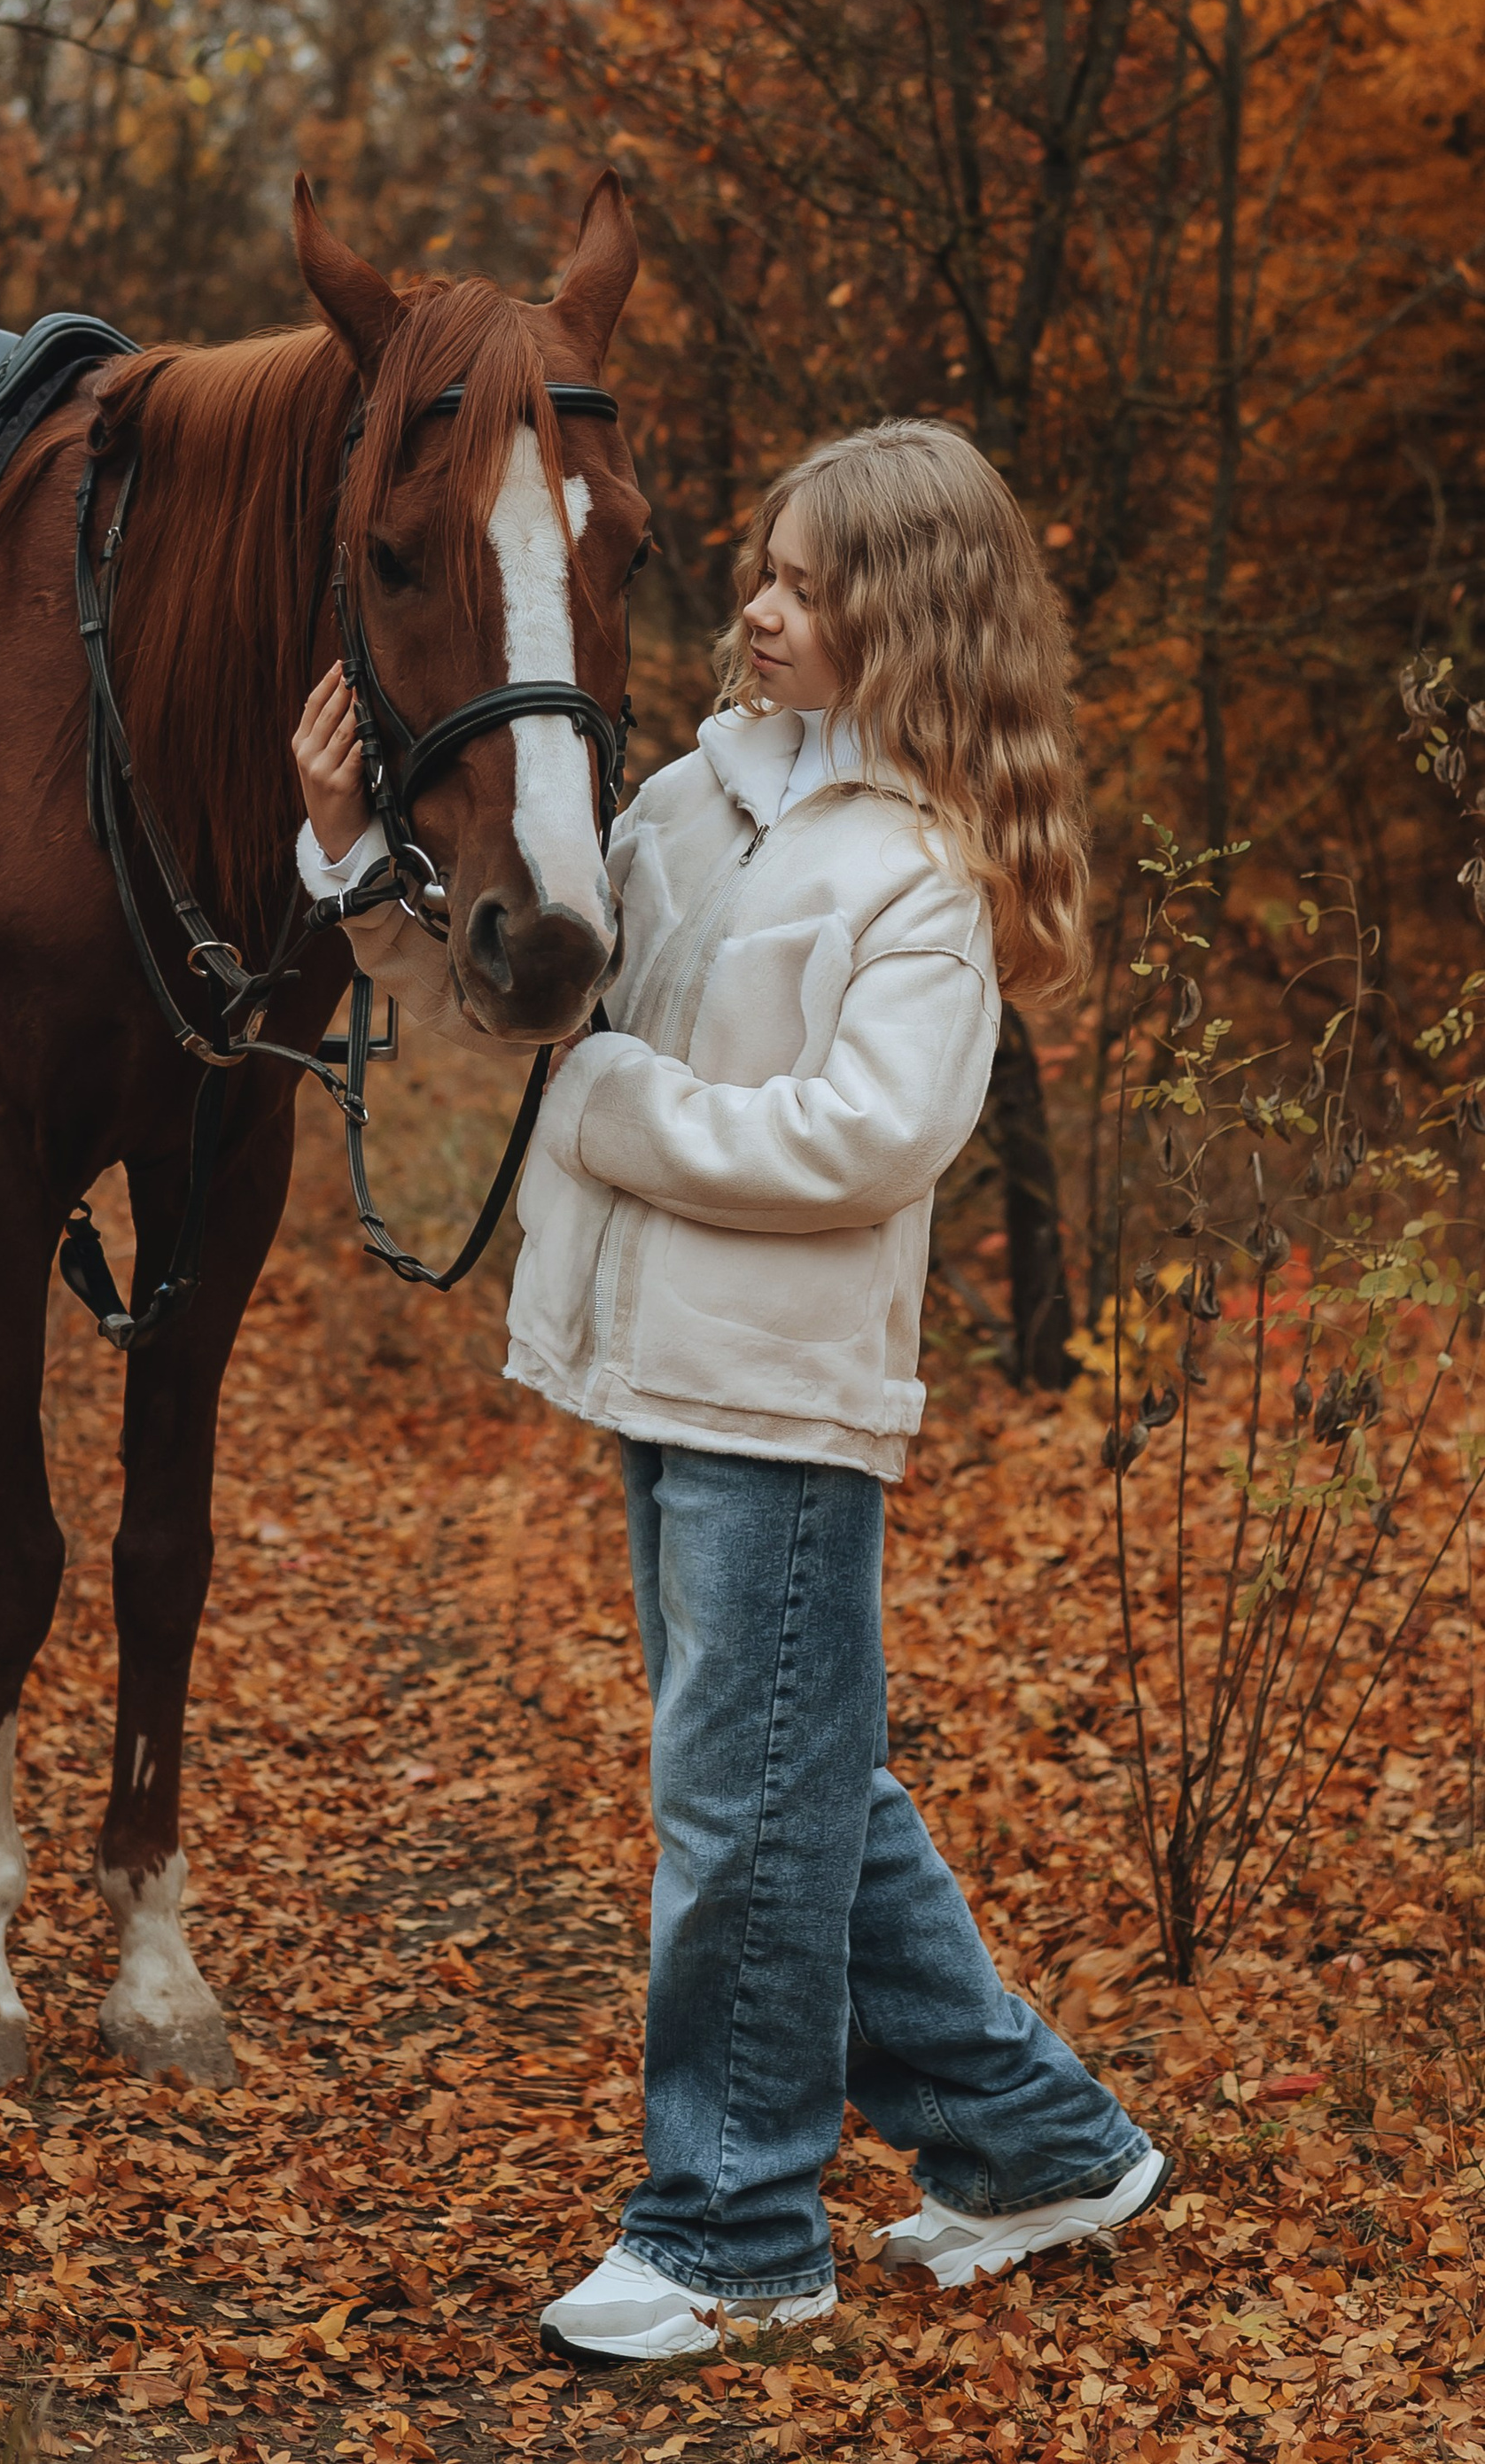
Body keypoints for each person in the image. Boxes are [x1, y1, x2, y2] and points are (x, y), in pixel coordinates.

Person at [291, 417, 1162, 2359]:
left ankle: (733, 2230)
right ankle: (1030, 2140)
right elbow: (526, 977)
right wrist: (355, 854)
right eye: (757, 572)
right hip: (658, 1371)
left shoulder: (917, 875)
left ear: (903, 620)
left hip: (780, 1396)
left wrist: (607, 1103)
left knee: (738, 1812)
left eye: (798, 586)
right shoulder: (685, 798)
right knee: (794, 1790)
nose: (752, 610)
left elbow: (863, 1142)